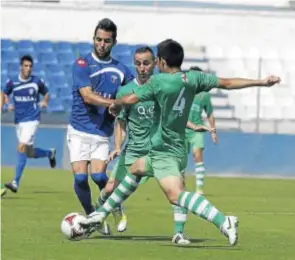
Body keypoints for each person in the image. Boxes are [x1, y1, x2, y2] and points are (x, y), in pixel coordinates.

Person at [79, 39, 280, 246]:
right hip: (175, 147)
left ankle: (223, 220)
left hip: (164, 151)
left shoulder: (158, 82)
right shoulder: (194, 78)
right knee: (136, 168)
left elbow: (130, 100)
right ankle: (100, 214)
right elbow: (227, 83)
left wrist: (116, 105)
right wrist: (261, 82)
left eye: (156, 59)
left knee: (176, 196)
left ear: (162, 62)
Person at [99, 46, 191, 244]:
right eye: (138, 63)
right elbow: (121, 123)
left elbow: (173, 115)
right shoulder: (126, 91)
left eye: (146, 63)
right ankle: (96, 215)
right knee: (109, 189)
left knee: (178, 189)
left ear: (156, 63)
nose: (142, 67)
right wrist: (117, 146)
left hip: (159, 150)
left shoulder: (162, 87)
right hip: (133, 151)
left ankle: (179, 233)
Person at [67, 18, 134, 234]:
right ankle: (92, 216)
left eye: (107, 40)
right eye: (98, 39)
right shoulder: (82, 65)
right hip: (78, 129)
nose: (101, 44)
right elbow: (87, 96)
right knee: (79, 177)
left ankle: (114, 206)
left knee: (98, 176)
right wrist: (115, 103)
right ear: (93, 39)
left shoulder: (121, 70)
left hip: (101, 132)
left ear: (114, 41)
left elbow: (135, 93)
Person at [1, 55, 56, 193]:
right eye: (26, 66)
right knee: (29, 153)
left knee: (21, 147)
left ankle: (15, 182)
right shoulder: (12, 82)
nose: (28, 69)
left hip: (32, 119)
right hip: (19, 121)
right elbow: (3, 93)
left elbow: (47, 93)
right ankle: (49, 153)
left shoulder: (36, 82)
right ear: (21, 67)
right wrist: (6, 105)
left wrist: (45, 102)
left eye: (30, 66)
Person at [186, 66, 218, 195]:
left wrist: (213, 132)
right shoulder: (182, 91)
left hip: (197, 130)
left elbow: (209, 113)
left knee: (197, 155)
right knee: (180, 160)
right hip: (181, 129)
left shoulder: (204, 95)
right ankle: (179, 186)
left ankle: (199, 189)